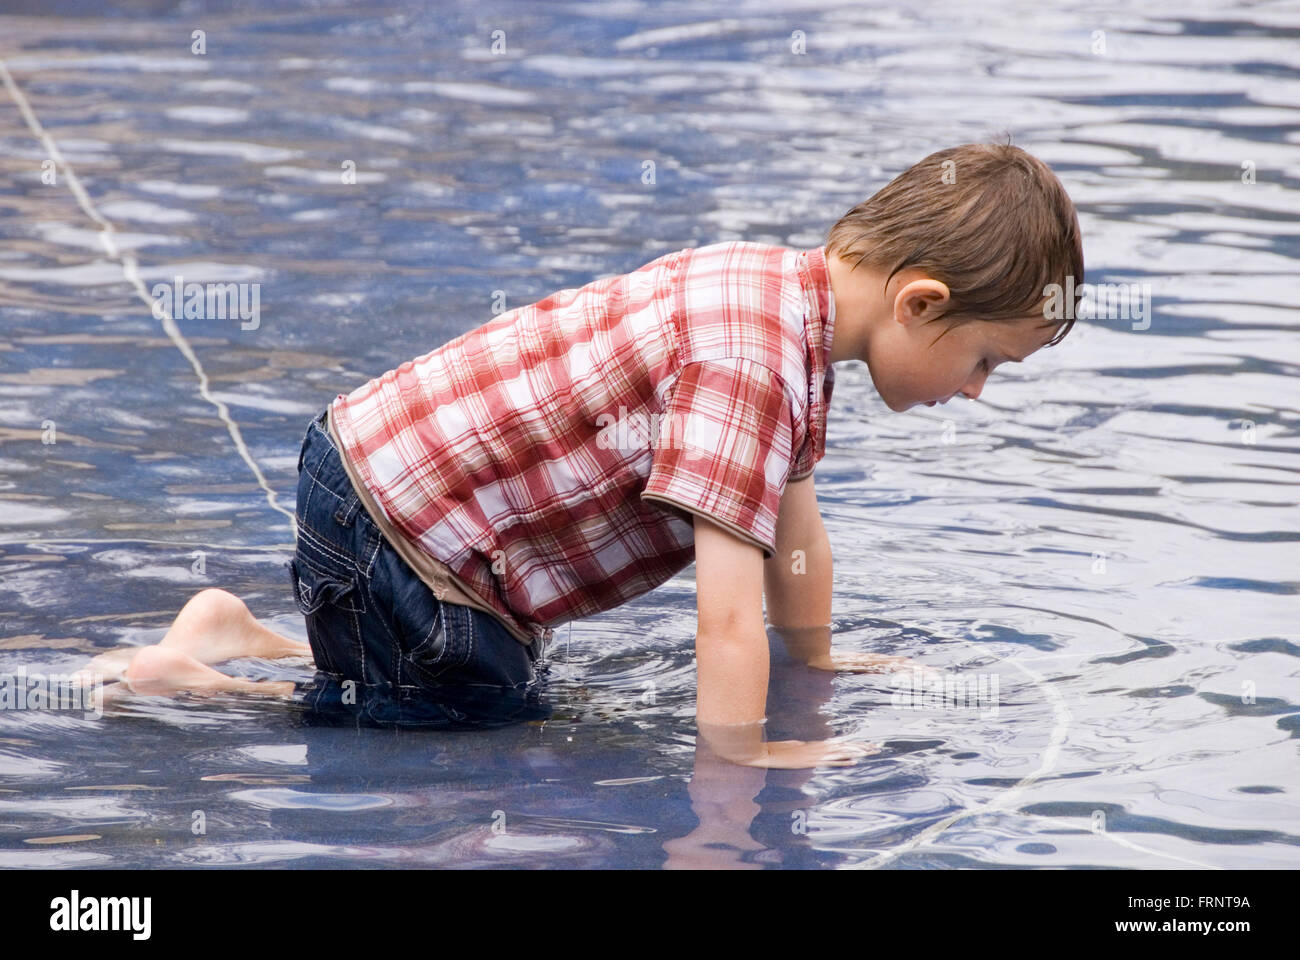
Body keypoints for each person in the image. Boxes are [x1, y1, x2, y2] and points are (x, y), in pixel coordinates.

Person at [83, 139, 1083, 767]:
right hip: (407, 539)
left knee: (477, 680)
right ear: (920, 304)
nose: (975, 392)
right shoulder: (751, 365)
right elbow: (725, 618)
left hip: (387, 490)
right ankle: (193, 686)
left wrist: (817, 663)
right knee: (453, 721)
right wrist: (743, 763)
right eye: (987, 361)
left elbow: (796, 538)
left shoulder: (777, 300)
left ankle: (238, 634)